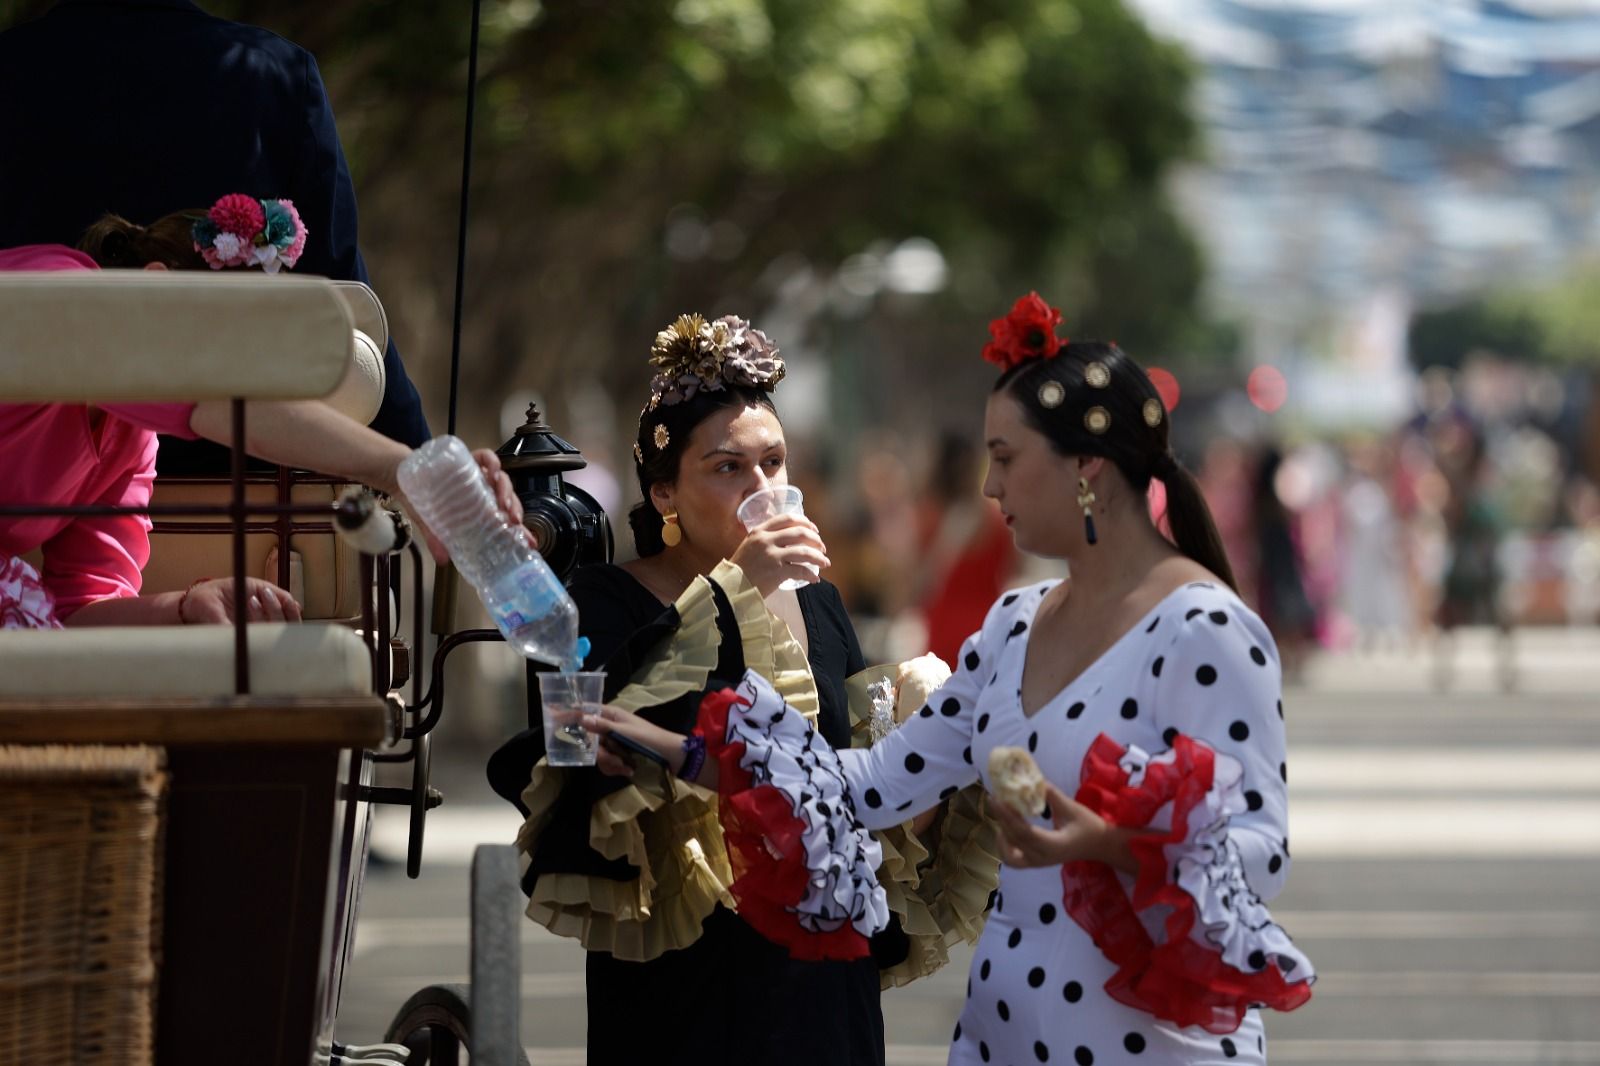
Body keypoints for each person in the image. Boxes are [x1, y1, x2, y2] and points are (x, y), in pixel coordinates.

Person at [587, 294, 1316, 1064]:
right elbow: (865, 786)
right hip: (1001, 1035)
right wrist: (684, 750)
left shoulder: (1207, 629)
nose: (990, 488)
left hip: (1146, 1045)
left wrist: (1112, 843)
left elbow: (1257, 855)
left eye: (1005, 459)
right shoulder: (1013, 626)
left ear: (1085, 470)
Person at [487, 312, 995, 1065]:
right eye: (728, 468)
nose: (762, 487)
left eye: (774, 463)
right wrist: (732, 590)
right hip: (682, 961)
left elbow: (851, 766)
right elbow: (570, 745)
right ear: (664, 493)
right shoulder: (601, 598)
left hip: (817, 955)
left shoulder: (817, 600)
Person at [0, 205, 516, 629]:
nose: (233, 380)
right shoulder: (57, 288)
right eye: (219, 350)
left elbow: (79, 612)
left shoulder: (130, 442)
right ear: (154, 287)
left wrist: (186, 606)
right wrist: (407, 468)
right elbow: (213, 403)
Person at [0, 0, 430, 463]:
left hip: (35, 469)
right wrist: (425, 463)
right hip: (246, 479)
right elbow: (341, 296)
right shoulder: (277, 75)